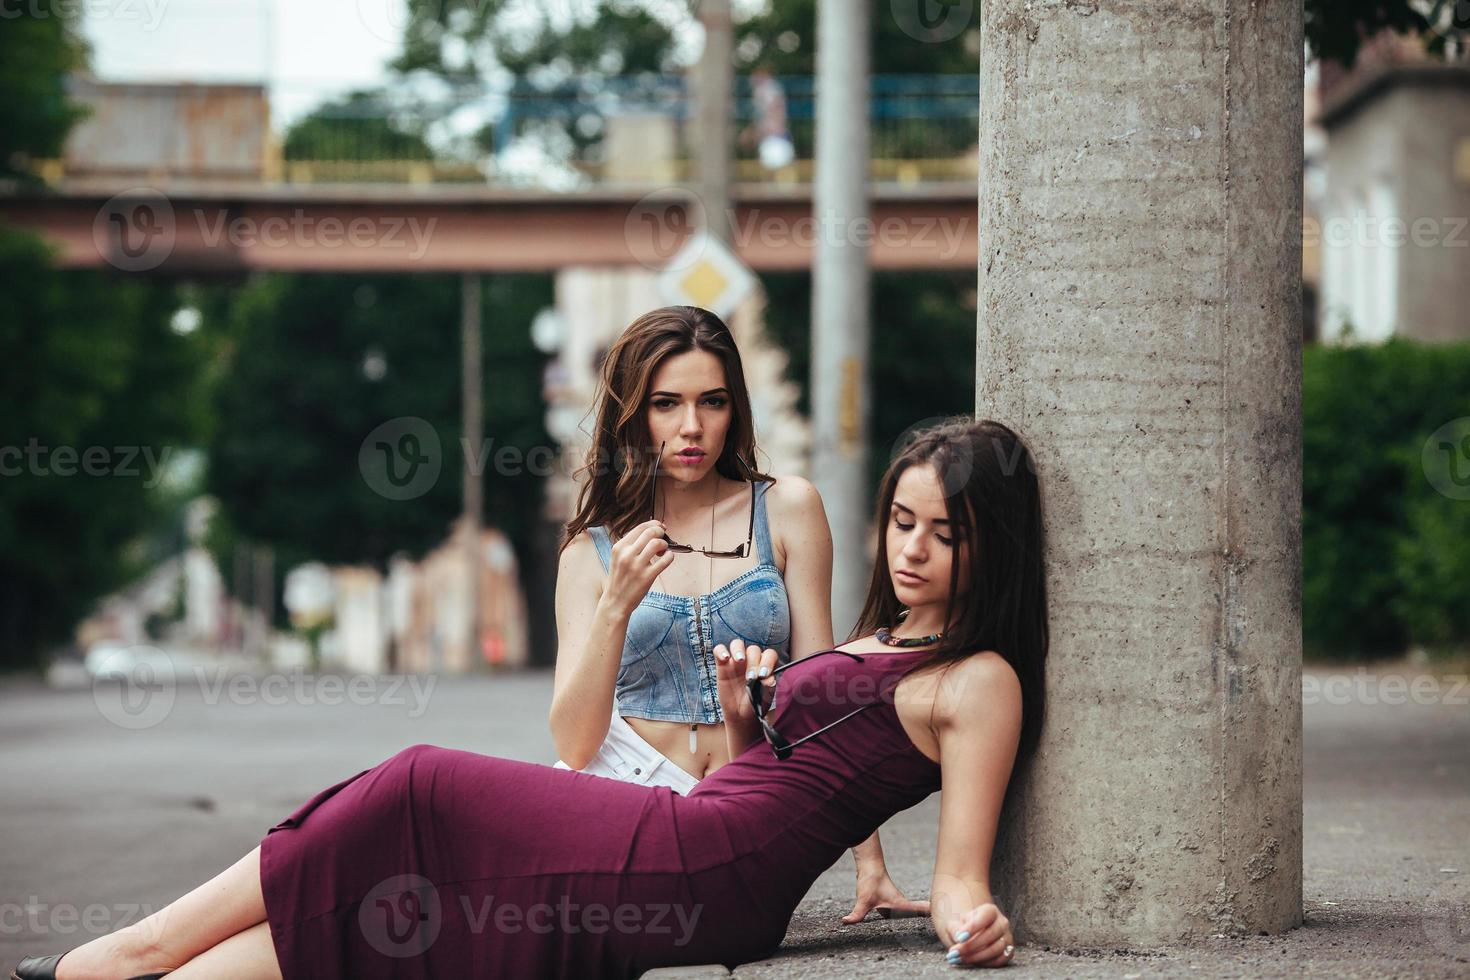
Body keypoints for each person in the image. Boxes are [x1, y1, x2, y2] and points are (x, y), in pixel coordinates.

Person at [11, 417, 1048, 978]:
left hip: (711, 870)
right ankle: (131, 968)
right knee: (399, 910)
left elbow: (959, 871)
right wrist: (742, 713)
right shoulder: (891, 638)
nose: (912, 548)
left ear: (988, 543)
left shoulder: (976, 677)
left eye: (944, 532)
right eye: (903, 520)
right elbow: (779, 778)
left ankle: (127, 949)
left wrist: (973, 926)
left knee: (419, 784)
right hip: (708, 833)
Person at [547, 304, 919, 923]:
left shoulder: (790, 508)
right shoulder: (590, 554)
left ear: (734, 410)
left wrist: (870, 865)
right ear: (633, 415)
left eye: (711, 402)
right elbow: (574, 743)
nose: (691, 427)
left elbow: (822, 695)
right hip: (623, 789)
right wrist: (616, 606)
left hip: (752, 795)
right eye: (666, 404)